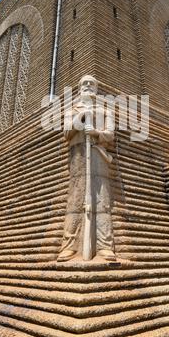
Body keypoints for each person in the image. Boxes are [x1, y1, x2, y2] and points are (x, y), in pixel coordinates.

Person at [57, 75, 116, 262]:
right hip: (78, 156)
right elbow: (67, 133)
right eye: (85, 83)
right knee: (75, 197)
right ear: (80, 88)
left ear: (96, 89)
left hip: (98, 154)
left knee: (101, 199)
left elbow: (110, 135)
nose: (88, 86)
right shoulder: (72, 110)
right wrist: (80, 118)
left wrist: (97, 133)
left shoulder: (104, 111)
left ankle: (105, 245)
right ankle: (69, 246)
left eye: (92, 84)